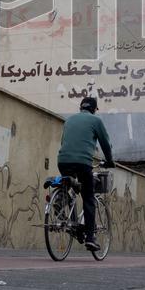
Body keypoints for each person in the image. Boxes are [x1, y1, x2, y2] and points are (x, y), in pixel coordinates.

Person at [57, 96, 114, 252]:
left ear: (81, 107)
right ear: (94, 109)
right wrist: (110, 161)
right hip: (83, 163)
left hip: (63, 161)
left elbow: (64, 142)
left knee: (69, 185)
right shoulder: (96, 121)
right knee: (88, 197)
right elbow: (105, 144)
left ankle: (62, 204)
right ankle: (90, 237)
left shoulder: (69, 120)